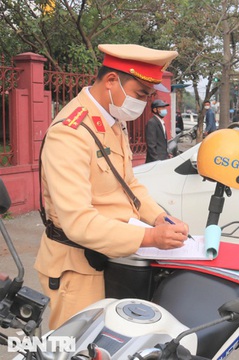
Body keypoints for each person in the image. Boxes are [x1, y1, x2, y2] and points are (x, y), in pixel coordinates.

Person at [36, 44, 190, 330]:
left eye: (148, 96)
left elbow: (129, 185)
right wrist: (150, 238)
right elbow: (78, 222)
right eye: (140, 94)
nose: (144, 103)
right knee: (77, 347)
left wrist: (159, 219)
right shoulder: (69, 134)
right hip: (78, 267)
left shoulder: (112, 122)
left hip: (111, 257)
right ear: (110, 81)